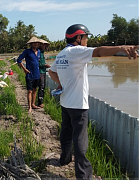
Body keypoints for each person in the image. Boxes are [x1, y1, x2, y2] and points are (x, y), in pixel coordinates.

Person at [48, 24, 138, 180]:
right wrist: (121, 47)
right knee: (80, 140)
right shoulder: (76, 51)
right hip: (78, 105)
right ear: (78, 38)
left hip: (65, 102)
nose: (87, 40)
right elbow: (98, 52)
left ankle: (65, 159)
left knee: (66, 132)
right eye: (86, 37)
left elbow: (51, 71)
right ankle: (84, 176)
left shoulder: (62, 53)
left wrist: (61, 84)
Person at [17, 36, 41, 113]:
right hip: (29, 74)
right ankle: (29, 107)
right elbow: (19, 60)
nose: (35, 44)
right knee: (29, 91)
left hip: (37, 74)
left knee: (35, 90)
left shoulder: (39, 51)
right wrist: (24, 69)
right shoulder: (27, 52)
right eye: (34, 43)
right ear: (31, 44)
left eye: (36, 42)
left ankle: (33, 104)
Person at [37, 39, 51, 108]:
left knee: (42, 86)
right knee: (41, 87)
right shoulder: (38, 52)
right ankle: (40, 102)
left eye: (45, 45)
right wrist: (45, 65)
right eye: (43, 45)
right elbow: (38, 63)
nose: (44, 46)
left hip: (43, 71)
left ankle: (40, 101)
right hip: (40, 71)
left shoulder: (42, 52)